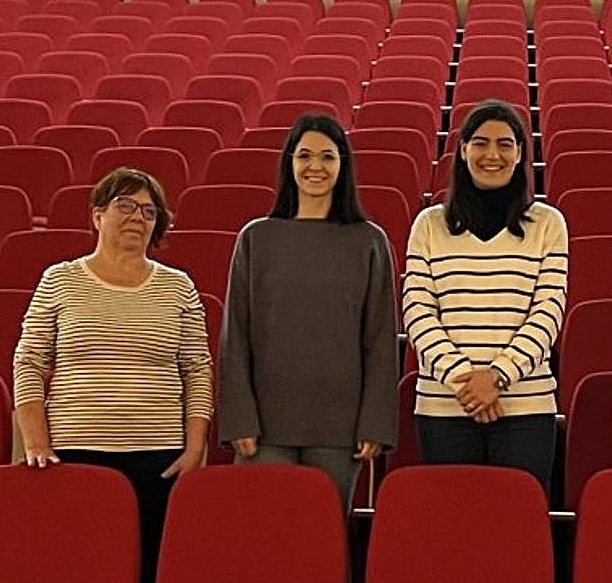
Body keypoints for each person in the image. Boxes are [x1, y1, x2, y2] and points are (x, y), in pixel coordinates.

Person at [14, 167, 213, 583]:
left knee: (147, 567)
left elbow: (197, 369)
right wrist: (35, 438)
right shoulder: (60, 279)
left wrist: (195, 447)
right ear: (97, 214)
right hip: (73, 451)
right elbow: (29, 360)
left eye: (149, 211)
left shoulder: (178, 287)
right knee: (78, 566)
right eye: (125, 205)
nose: (138, 217)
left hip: (159, 457)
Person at [219, 113, 397, 510]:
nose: (315, 166)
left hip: (341, 426)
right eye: (304, 156)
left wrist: (374, 422)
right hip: (264, 425)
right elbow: (236, 337)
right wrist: (239, 419)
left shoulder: (369, 241)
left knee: (325, 540)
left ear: (342, 165)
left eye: (327, 157)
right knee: (263, 538)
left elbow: (380, 341)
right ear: (289, 163)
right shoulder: (256, 237)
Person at [404, 99, 567, 494]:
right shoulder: (429, 224)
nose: (492, 154)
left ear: (520, 154)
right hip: (445, 405)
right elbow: (417, 311)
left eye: (505, 144)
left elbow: (548, 312)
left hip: (526, 408)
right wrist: (467, 382)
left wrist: (496, 378)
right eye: (479, 143)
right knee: (454, 529)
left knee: (518, 529)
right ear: (462, 151)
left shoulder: (547, 223)